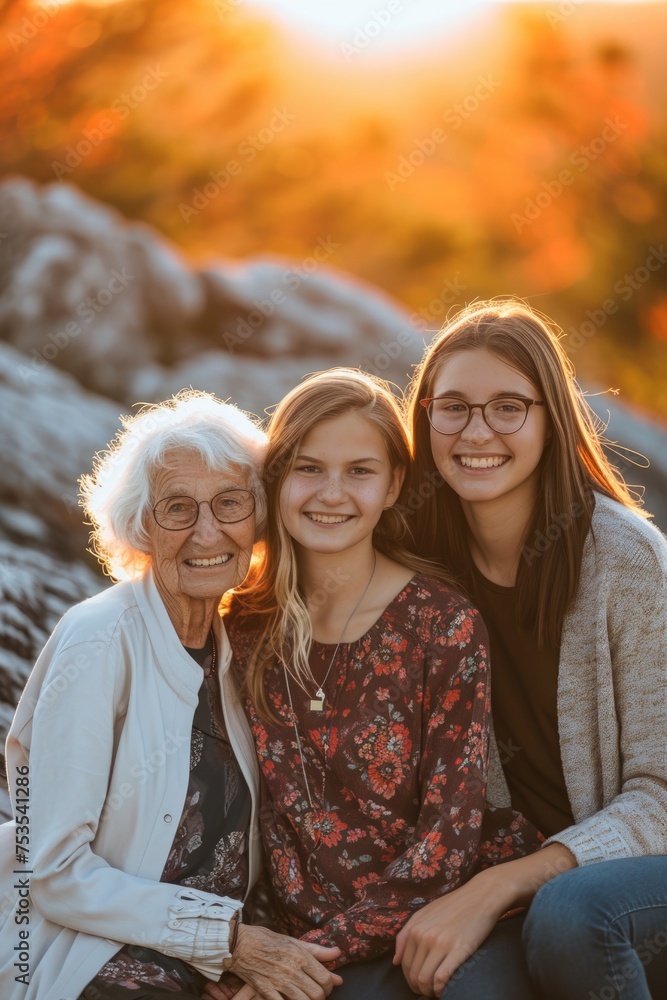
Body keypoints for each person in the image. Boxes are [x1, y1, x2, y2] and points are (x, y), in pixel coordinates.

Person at [0, 390, 342, 1000]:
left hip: (194, 964)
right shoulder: (99, 639)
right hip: (84, 961)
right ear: (140, 526)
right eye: (177, 508)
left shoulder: (240, 646)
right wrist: (228, 942)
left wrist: (221, 957)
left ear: (258, 519)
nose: (207, 531)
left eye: (230, 503)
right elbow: (50, 872)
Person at [221, 368, 542, 1000]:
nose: (331, 493)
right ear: (276, 479)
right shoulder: (242, 627)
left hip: (430, 918)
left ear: (395, 484)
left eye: (360, 471)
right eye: (308, 468)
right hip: (290, 934)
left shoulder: (442, 625)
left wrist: (306, 955)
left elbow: (447, 840)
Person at [396, 300, 667, 1000]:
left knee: (572, 916)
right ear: (424, 417)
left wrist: (504, 883)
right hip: (522, 882)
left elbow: (661, 795)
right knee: (440, 983)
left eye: (507, 407)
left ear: (550, 419)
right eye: (452, 406)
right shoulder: (415, 559)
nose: (475, 430)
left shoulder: (625, 561)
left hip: (632, 873)